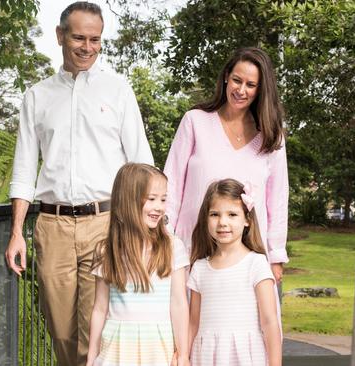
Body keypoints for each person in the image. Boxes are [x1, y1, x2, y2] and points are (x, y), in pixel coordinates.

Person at [4, 2, 154, 365]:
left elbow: (141, 163)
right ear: (60, 36)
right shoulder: (37, 96)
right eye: (79, 38)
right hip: (52, 227)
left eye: (95, 39)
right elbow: (24, 168)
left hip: (105, 224)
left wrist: (146, 229)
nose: (87, 47)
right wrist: (17, 232)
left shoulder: (118, 90)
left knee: (96, 330)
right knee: (61, 331)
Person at [163, 47, 289, 283]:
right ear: (226, 78)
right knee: (189, 318)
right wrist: (164, 238)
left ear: (261, 89)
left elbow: (278, 202)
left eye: (250, 85)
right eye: (236, 80)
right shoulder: (195, 121)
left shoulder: (273, 137)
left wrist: (276, 256)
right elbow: (171, 184)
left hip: (248, 256)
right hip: (191, 251)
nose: (241, 90)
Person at [87, 163, 190, 366]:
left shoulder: (173, 247)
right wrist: (91, 357)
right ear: (128, 201)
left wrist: (183, 353)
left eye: (163, 199)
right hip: (117, 349)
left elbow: (179, 303)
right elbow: (100, 308)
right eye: (151, 199)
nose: (159, 207)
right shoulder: (106, 250)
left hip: (158, 349)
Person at [188, 179, 281, 366]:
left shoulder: (256, 264)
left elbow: (270, 322)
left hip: (245, 357)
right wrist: (182, 355)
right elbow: (193, 322)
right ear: (205, 218)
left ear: (247, 219)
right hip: (206, 357)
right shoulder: (199, 268)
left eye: (232, 214)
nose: (223, 222)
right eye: (215, 214)